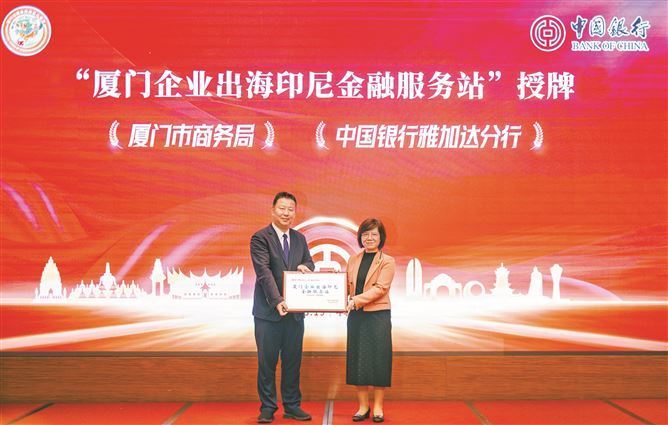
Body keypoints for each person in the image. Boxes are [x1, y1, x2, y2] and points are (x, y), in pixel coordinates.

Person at [251, 192, 315, 423]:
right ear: (273, 210)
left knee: (292, 362)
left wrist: (306, 268)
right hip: (269, 313)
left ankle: (292, 405)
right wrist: (278, 300)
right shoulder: (260, 238)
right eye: (282, 208)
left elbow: (309, 262)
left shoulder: (299, 238)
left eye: (290, 209)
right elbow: (264, 272)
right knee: (267, 362)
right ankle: (268, 407)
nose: (286, 213)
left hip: (295, 313)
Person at [345, 218, 395, 423]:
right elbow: (345, 286)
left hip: (377, 316)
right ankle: (363, 406)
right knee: (358, 360)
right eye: (365, 234)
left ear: (381, 237)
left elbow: (381, 289)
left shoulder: (387, 261)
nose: (369, 238)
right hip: (356, 317)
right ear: (360, 237)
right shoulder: (353, 259)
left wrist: (355, 301)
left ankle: (378, 407)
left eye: (374, 234)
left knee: (378, 360)